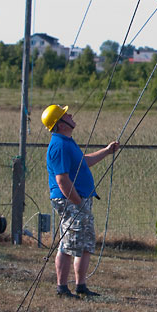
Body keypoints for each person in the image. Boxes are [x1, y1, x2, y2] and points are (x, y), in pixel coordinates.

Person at [41, 105, 119, 298]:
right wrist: (77, 201)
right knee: (68, 244)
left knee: (84, 244)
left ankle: (81, 286)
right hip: (71, 201)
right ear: (60, 124)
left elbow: (84, 162)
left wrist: (107, 151)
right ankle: (62, 288)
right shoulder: (59, 145)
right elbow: (62, 180)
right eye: (65, 114)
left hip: (80, 200)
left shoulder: (67, 142)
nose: (70, 115)